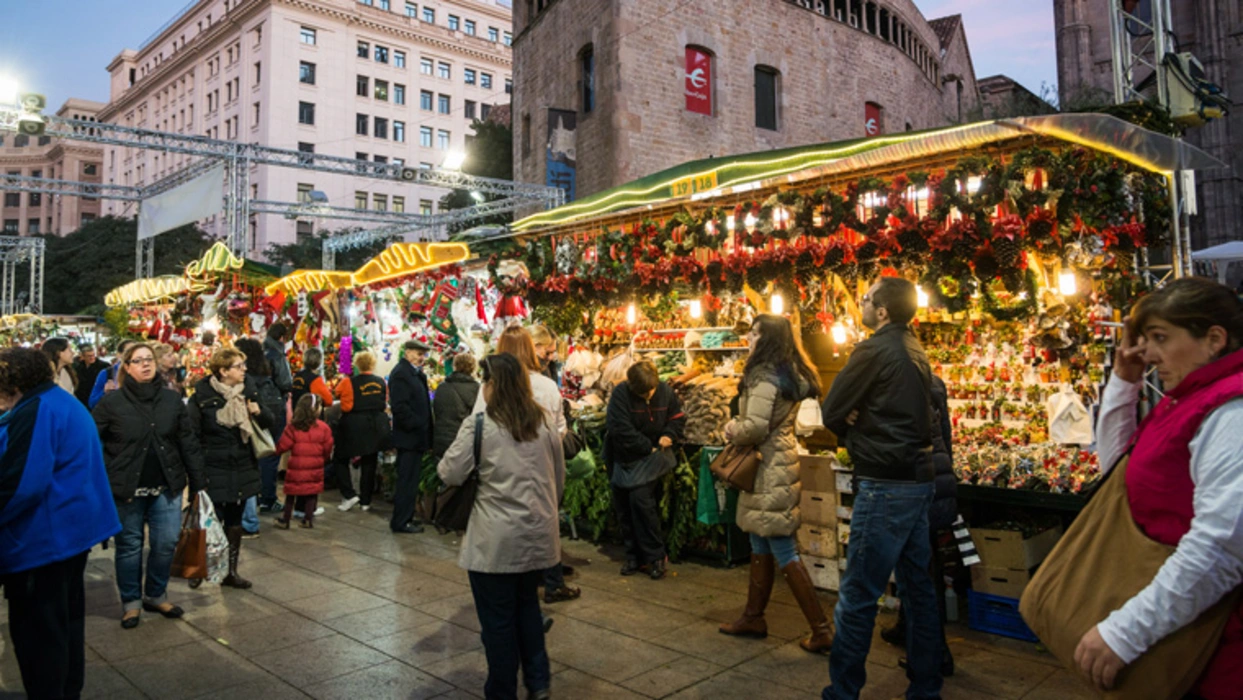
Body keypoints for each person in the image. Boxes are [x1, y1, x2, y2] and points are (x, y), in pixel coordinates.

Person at [1072, 278, 1243, 697]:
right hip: (1184, 628)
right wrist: (1124, 380)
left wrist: (1127, 632)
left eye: (1160, 338)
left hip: (1218, 645)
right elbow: (1116, 470)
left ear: (1214, 339)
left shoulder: (1231, 410)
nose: (1147, 352)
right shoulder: (1189, 396)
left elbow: (1221, 545)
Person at [820, 277, 940, 700]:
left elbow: (831, 410)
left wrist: (854, 417)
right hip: (916, 480)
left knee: (858, 595)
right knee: (918, 591)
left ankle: (843, 692)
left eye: (867, 300)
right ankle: (926, 689)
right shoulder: (914, 347)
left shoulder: (874, 348)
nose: (862, 305)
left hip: (885, 484)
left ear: (883, 311)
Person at [438, 353, 564, 700]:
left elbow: (449, 472)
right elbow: (559, 479)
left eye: (485, 381)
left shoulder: (480, 425)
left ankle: (502, 691)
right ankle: (538, 683)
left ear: (494, 385)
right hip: (538, 536)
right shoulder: (544, 424)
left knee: (498, 623)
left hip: (495, 542)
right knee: (527, 609)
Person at [0, 347, 120, 700]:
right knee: (63, 626)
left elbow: (20, 485)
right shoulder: (57, 400)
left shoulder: (39, 409)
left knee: (40, 636)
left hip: (42, 541)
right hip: (67, 535)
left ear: (12, 381)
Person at [718, 314, 833, 653]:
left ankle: (822, 629)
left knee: (782, 546)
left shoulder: (764, 378)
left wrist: (730, 429)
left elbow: (753, 427)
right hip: (777, 462)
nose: (749, 339)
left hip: (767, 467)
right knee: (760, 541)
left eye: (754, 334)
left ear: (766, 340)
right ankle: (753, 616)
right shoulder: (787, 374)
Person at [92, 342, 206, 629]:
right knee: (129, 546)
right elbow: (92, 441)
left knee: (166, 543)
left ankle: (155, 594)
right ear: (126, 367)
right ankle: (131, 602)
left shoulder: (171, 400)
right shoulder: (111, 403)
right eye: (138, 360)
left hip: (166, 487)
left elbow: (187, 443)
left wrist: (198, 483)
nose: (145, 364)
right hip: (127, 489)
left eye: (149, 360)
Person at [474, 326, 572, 600]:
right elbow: (559, 428)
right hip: (540, 471)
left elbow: (476, 428)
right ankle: (547, 581)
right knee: (542, 523)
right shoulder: (546, 386)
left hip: (499, 476)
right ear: (530, 348)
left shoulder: (490, 388)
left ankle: (523, 585)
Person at [880, 373, 956, 677]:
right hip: (938, 478)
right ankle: (906, 629)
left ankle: (936, 654)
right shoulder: (933, 381)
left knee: (920, 573)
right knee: (921, 566)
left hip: (916, 484)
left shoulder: (895, 384)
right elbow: (946, 436)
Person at [187, 346, 274, 589]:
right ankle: (199, 566)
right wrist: (196, 472)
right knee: (209, 519)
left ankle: (229, 571)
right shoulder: (202, 397)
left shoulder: (249, 392)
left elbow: (270, 422)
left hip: (242, 465)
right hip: (213, 466)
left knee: (234, 522)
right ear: (223, 371)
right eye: (239, 366)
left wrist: (258, 412)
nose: (244, 370)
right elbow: (192, 435)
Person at [604, 360, 686, 582]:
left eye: (651, 390)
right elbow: (619, 428)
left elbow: (677, 417)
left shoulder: (665, 391)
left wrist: (669, 434)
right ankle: (634, 556)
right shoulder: (621, 394)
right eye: (643, 393)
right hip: (624, 457)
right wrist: (646, 446)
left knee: (640, 501)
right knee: (624, 505)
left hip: (653, 459)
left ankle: (655, 556)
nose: (649, 396)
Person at [334, 351, 392, 512]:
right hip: (375, 424)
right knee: (369, 461)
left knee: (340, 458)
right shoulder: (381, 382)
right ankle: (366, 501)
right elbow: (385, 401)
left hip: (353, 423)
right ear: (372, 365)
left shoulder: (348, 382)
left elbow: (338, 394)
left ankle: (349, 494)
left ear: (357, 365)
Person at [236, 337, 285, 518]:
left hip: (260, 418)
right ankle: (267, 498)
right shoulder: (265, 373)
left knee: (258, 459)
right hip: (272, 417)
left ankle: (263, 498)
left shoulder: (246, 379)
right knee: (268, 458)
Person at [389, 339, 434, 534]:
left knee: (411, 480)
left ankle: (406, 518)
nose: (421, 358)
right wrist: (417, 424)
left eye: (423, 354)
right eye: (417, 353)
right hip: (409, 438)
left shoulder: (414, 373)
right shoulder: (401, 374)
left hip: (416, 438)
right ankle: (400, 522)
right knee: (406, 481)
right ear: (407, 352)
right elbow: (400, 407)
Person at [275, 393, 333, 529]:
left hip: (296, 466)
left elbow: (283, 445)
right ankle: (308, 519)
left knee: (291, 494)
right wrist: (323, 459)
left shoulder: (293, 427)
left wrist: (274, 451)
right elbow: (328, 447)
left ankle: (286, 519)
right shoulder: (324, 428)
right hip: (315, 466)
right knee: (311, 493)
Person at [433, 352, 481, 460]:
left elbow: (436, 412)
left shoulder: (442, 387)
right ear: (473, 367)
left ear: (454, 366)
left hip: (441, 440)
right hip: (463, 441)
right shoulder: (476, 389)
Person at [89, 339, 134, 409]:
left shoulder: (142, 373)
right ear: (119, 354)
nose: (132, 355)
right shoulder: (107, 373)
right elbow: (92, 404)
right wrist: (104, 392)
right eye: (128, 352)